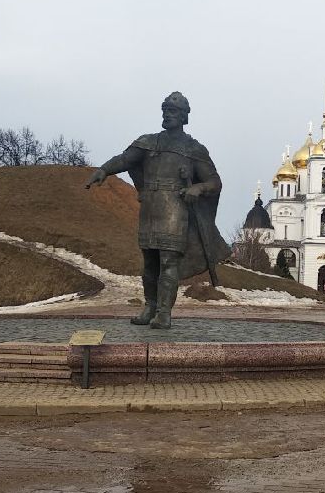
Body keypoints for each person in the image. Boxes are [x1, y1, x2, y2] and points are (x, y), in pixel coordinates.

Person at [85, 91, 230, 330]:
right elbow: (125, 159)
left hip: (175, 210)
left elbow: (215, 182)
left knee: (168, 262)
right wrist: (104, 170)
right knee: (150, 263)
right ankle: (150, 306)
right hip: (151, 208)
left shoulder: (194, 149)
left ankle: (164, 313)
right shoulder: (149, 141)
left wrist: (198, 188)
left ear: (184, 117)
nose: (167, 115)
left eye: (172, 111)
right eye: (165, 110)